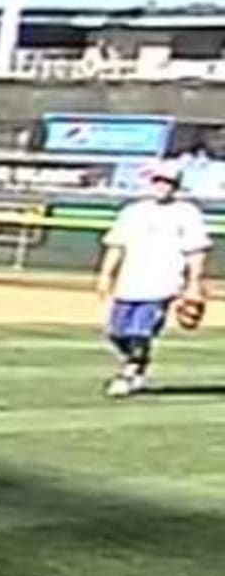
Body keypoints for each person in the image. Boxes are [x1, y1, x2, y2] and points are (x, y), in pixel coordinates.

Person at [98, 163, 212, 399]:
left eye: (168, 182)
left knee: (141, 331)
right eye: (158, 181)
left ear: (176, 186)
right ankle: (138, 363)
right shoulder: (133, 211)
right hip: (129, 281)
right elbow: (116, 245)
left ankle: (128, 374)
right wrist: (105, 275)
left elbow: (196, 250)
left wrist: (194, 283)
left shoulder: (186, 212)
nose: (162, 186)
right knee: (117, 333)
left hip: (164, 282)